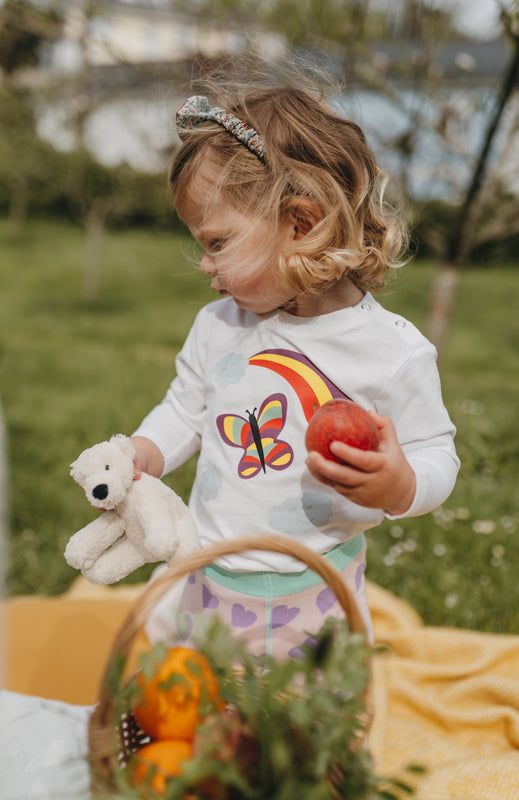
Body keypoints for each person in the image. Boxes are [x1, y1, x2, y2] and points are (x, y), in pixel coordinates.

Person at [131, 80, 459, 659]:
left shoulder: (390, 351)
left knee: (312, 726)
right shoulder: (220, 324)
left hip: (319, 591)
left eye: (217, 243)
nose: (205, 265)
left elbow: (437, 454)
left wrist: (402, 483)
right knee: (212, 713)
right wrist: (145, 452)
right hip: (213, 579)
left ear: (300, 225)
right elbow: (186, 407)